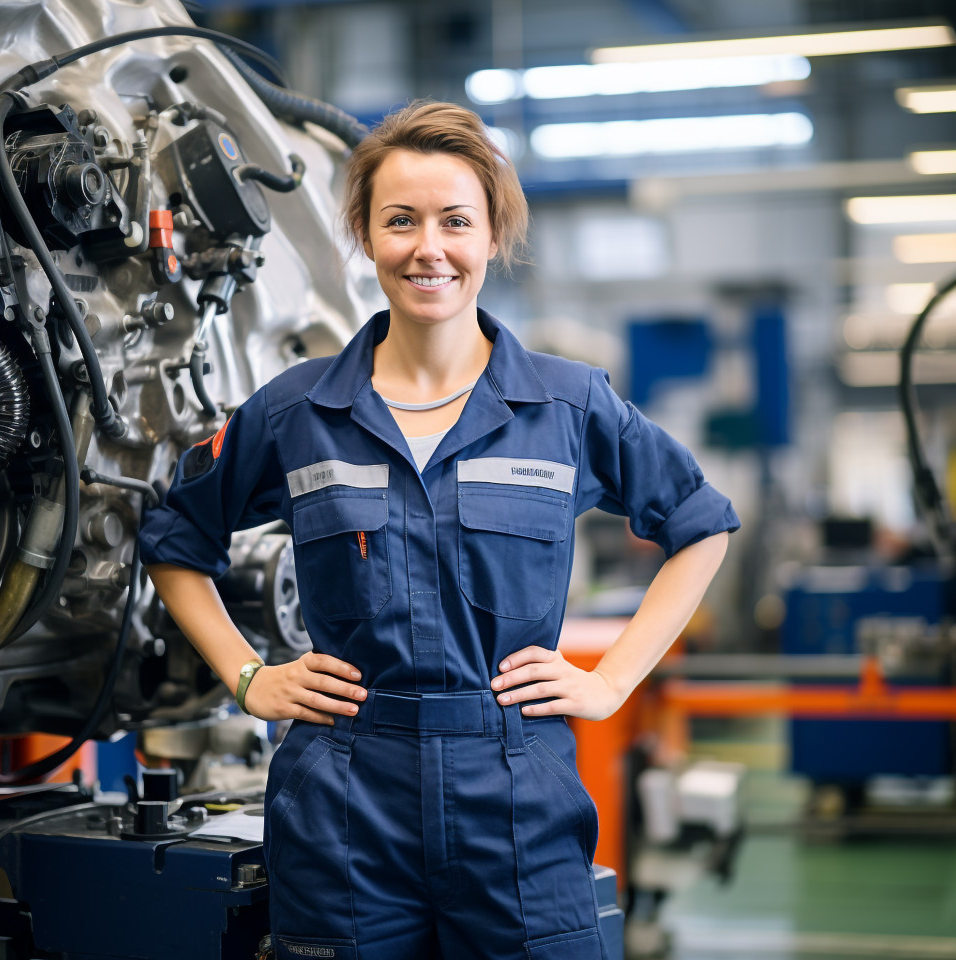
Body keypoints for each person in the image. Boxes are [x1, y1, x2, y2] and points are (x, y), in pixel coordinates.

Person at [140, 100, 739, 960]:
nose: (429, 248)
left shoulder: (568, 406)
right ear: (365, 234)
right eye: (401, 221)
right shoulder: (295, 412)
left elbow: (700, 524)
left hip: (514, 793)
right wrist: (247, 677)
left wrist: (611, 682)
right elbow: (174, 538)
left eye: (456, 221)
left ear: (493, 236)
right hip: (345, 802)